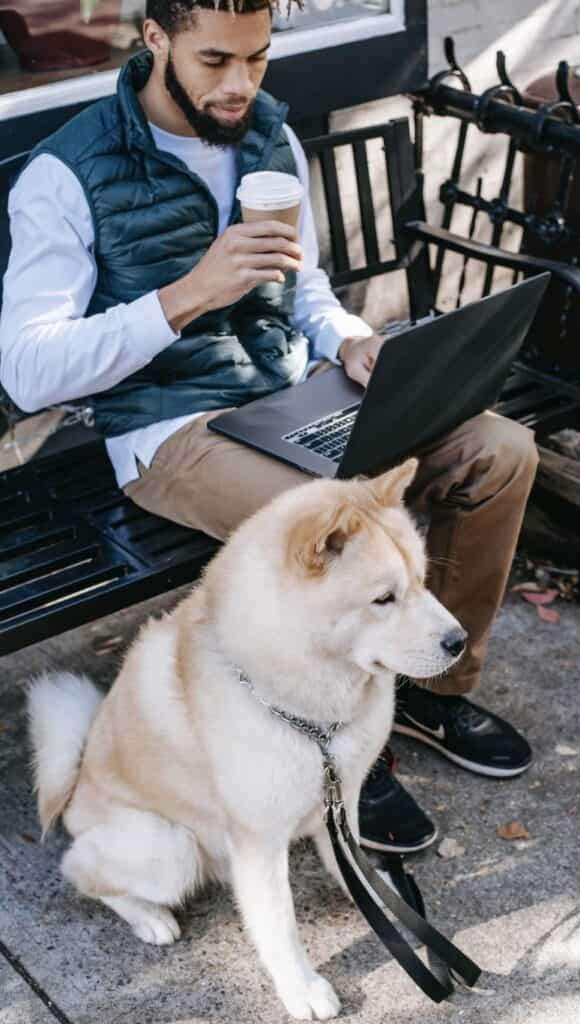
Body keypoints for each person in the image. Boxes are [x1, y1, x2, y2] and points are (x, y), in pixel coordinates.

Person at [0, 0, 539, 856]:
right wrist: (185, 297)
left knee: (497, 452)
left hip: (296, 395)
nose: (240, 83)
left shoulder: (267, 138)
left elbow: (308, 283)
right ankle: (351, 759)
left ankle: (435, 690)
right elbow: (26, 370)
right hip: (169, 428)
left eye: (257, 58)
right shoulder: (67, 174)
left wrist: (351, 341)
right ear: (154, 41)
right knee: (334, 532)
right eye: (215, 60)